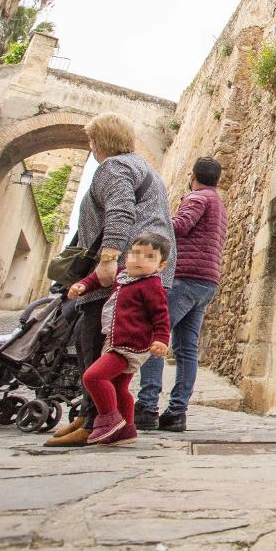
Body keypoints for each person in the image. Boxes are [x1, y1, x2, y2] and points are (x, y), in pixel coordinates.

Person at [45, 113, 177, 448]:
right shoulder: (147, 170)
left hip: (124, 267)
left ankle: (94, 422)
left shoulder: (114, 168)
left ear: (100, 143)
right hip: (148, 268)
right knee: (106, 344)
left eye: (91, 141)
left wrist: (107, 259)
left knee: (94, 339)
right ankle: (95, 415)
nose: (90, 148)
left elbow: (120, 211)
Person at [135, 156, 228, 432]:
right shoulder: (219, 205)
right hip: (206, 282)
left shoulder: (197, 197)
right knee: (187, 349)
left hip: (185, 278)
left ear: (193, 176)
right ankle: (176, 412)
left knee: (156, 335)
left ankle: (148, 405)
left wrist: (155, 225)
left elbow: (179, 226)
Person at [67, 233, 171, 445]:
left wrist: (161, 339)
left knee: (93, 377)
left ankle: (109, 419)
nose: (139, 260)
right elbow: (98, 278)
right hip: (115, 341)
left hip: (129, 346)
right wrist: (83, 286)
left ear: (161, 266)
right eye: (135, 254)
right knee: (119, 388)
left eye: (148, 257)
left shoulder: (151, 285)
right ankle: (127, 430)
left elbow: (160, 315)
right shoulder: (123, 275)